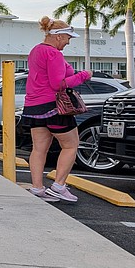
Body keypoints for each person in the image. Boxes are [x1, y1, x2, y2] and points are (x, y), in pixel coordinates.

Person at [21, 17, 91, 203]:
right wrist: (83, 76)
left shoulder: (36, 50)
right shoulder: (54, 54)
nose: (69, 42)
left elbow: (60, 72)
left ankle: (37, 188)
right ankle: (59, 186)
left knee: (39, 149)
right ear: (58, 36)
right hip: (54, 108)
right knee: (70, 145)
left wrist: (67, 67)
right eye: (68, 38)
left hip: (34, 107)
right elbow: (58, 84)